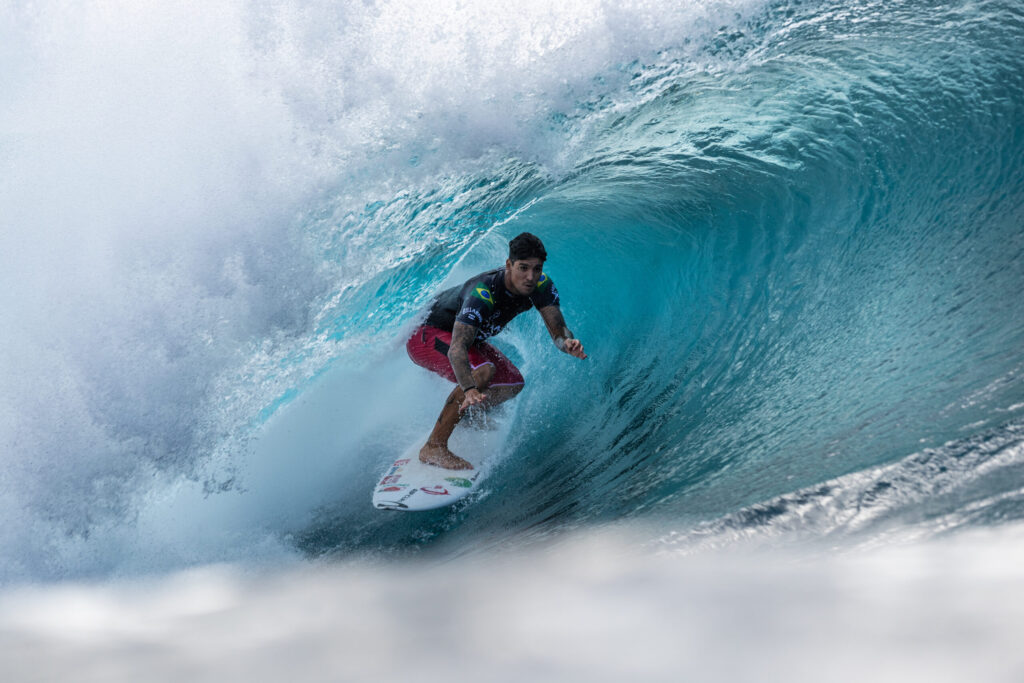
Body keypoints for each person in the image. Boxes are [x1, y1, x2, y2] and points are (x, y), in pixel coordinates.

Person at [406, 232, 587, 469]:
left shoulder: (541, 285)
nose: (530, 277)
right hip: (426, 335)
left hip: (466, 339)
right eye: (523, 268)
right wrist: (470, 388)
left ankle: (465, 416)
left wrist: (566, 343)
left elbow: (558, 329)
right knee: (482, 372)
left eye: (537, 268)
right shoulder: (483, 292)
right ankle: (434, 447)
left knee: (512, 384)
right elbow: (456, 349)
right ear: (509, 265)